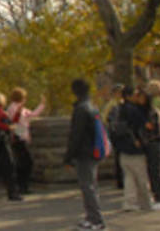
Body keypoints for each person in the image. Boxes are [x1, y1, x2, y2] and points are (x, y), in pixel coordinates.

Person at [64, 78, 105, 230]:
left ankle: (96, 220)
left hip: (84, 153)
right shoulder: (92, 107)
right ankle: (91, 217)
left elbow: (76, 135)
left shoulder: (81, 109)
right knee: (91, 186)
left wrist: (68, 156)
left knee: (87, 187)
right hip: (93, 151)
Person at [114, 85, 151, 211]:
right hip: (135, 148)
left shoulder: (119, 109)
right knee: (141, 177)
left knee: (129, 177)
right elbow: (142, 126)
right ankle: (146, 202)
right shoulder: (134, 110)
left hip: (123, 148)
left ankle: (130, 202)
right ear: (129, 96)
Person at [6, 88, 45, 194]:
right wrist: (22, 134)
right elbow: (15, 122)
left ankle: (23, 186)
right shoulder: (13, 108)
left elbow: (32, 114)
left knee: (25, 162)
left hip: (22, 137)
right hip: (18, 138)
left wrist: (42, 105)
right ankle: (22, 186)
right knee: (25, 162)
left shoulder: (21, 108)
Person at [136, 88, 160, 209]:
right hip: (146, 144)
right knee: (148, 172)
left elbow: (152, 127)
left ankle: (159, 196)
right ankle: (153, 195)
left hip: (153, 143)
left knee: (154, 171)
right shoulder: (139, 111)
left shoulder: (152, 112)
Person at [102, 83, 124, 189]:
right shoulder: (112, 104)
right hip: (116, 134)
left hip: (121, 134)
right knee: (119, 158)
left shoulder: (123, 103)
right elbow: (105, 119)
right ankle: (120, 181)